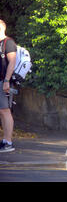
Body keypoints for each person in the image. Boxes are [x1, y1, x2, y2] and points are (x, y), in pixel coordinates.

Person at [0, 19, 17, 153]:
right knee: (2, 111)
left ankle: (9, 142)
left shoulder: (8, 43)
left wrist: (6, 80)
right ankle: (5, 140)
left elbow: (12, 62)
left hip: (3, 81)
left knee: (5, 111)